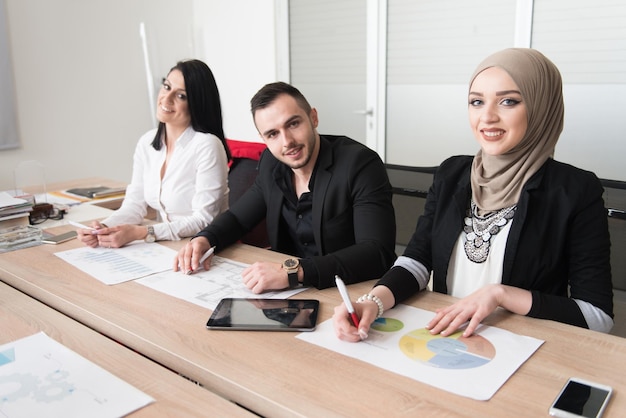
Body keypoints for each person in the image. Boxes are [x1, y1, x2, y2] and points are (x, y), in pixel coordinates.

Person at [333, 48, 614, 342]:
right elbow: (417, 260)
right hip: (442, 339)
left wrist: (501, 295)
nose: (487, 116)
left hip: (519, 349)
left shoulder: (576, 191)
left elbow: (597, 316)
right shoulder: (452, 173)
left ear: (541, 107)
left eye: (508, 101)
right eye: (476, 102)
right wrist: (373, 301)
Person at [174, 81, 396, 293]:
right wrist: (205, 238)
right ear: (263, 138)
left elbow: (376, 252)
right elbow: (239, 219)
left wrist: (293, 273)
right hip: (291, 293)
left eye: (293, 124)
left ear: (313, 117)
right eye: (273, 134)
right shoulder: (272, 164)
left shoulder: (359, 164)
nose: (287, 141)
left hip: (350, 291)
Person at [77, 59, 231, 248]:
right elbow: (134, 205)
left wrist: (143, 233)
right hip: (169, 245)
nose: (166, 99)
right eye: (166, 87)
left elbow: (204, 220)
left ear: (197, 104)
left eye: (181, 96)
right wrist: (104, 227)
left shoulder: (207, 146)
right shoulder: (147, 143)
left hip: (206, 248)